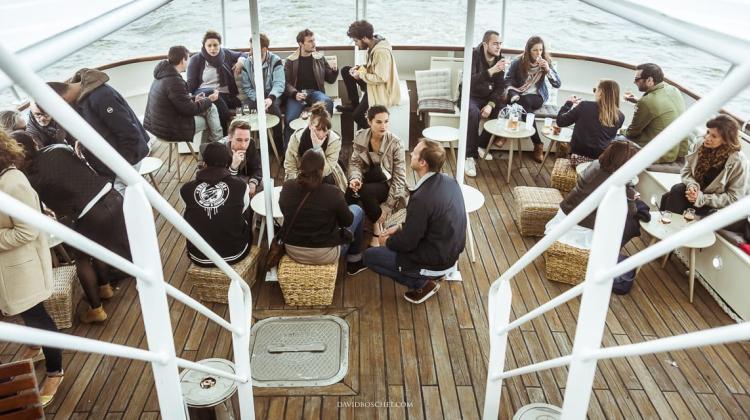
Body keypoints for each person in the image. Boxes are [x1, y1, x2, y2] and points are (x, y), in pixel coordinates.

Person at [14, 131, 131, 324]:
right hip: (112, 198)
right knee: (98, 247)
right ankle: (105, 287)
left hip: (89, 213)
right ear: (34, 142)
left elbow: (37, 208)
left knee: (82, 259)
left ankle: (96, 309)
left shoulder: (28, 178)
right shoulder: (59, 148)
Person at [0, 130, 64, 407]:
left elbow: (27, 232)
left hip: (20, 266)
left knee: (37, 315)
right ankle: (35, 347)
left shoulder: (13, 183)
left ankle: (55, 370)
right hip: (6, 266)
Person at [363, 139, 467, 304]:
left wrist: (386, 242)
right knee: (392, 228)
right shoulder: (450, 182)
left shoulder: (421, 198)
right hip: (449, 255)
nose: (411, 154)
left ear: (423, 163)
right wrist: (399, 227)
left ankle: (422, 283)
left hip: (435, 263)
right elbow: (430, 222)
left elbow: (408, 243)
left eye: (415, 152)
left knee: (370, 256)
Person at [47, 69, 150, 195]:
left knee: (124, 201)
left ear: (61, 99)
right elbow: (96, 125)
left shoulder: (101, 96)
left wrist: (120, 168)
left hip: (126, 161)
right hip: (111, 164)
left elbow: (129, 134)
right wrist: (82, 141)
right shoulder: (77, 99)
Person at [279, 149, 366, 274]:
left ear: (301, 166)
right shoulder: (333, 192)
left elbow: (284, 210)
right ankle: (355, 260)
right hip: (324, 254)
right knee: (357, 210)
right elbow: (347, 221)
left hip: (292, 249)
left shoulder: (288, 186)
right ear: (322, 169)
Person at [660, 115, 749, 232]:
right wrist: (692, 186)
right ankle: (667, 233)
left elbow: (734, 197)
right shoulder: (700, 144)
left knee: (674, 198)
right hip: (693, 194)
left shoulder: (739, 162)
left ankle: (673, 236)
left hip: (714, 204)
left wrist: (702, 198)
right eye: (707, 132)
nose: (707, 138)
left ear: (726, 139)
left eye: (714, 136)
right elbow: (686, 171)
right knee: (677, 190)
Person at [550, 139, 644, 249]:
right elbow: (632, 211)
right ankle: (613, 250)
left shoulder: (595, 164)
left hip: (567, 211)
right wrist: (631, 194)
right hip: (584, 226)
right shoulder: (620, 182)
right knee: (632, 223)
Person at [181, 142, 252, 267]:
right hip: (235, 253)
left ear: (204, 163)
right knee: (245, 210)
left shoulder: (185, 190)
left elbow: (189, 213)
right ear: (227, 163)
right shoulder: (241, 186)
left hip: (199, 256)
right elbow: (243, 210)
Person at [346, 106, 407, 247]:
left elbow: (399, 178)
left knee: (364, 191)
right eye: (379, 122)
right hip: (367, 178)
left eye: (386, 121)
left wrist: (387, 206)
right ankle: (350, 226)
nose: (383, 126)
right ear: (369, 121)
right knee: (351, 191)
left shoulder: (395, 143)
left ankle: (376, 228)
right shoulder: (361, 137)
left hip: (387, 182)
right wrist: (355, 178)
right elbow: (355, 163)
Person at [144, 46, 223, 146]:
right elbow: (189, 110)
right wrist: (210, 99)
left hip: (158, 126)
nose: (189, 62)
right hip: (169, 129)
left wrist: (194, 99)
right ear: (182, 60)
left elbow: (176, 101)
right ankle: (217, 145)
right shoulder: (174, 81)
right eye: (188, 59)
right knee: (211, 109)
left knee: (209, 112)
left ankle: (211, 148)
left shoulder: (162, 74)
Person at [505, 36, 562, 163]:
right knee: (520, 101)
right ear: (528, 50)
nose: (538, 53)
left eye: (541, 50)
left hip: (537, 96)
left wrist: (547, 70)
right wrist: (512, 89)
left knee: (522, 101)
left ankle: (537, 144)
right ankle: (538, 144)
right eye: (535, 50)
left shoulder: (546, 61)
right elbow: (507, 79)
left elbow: (557, 84)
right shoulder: (518, 62)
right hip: (519, 93)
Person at [621, 63, 688, 170]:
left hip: (660, 154)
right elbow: (659, 107)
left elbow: (632, 133)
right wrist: (638, 101)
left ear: (649, 80)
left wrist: (620, 130)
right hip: (676, 150)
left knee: (613, 141)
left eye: (637, 79)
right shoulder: (673, 90)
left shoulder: (647, 102)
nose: (634, 82)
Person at [339, 20, 401, 129]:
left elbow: (381, 78)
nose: (356, 44)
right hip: (372, 83)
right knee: (346, 71)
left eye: (356, 41)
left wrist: (360, 75)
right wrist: (359, 68)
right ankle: (354, 105)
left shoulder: (381, 52)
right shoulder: (373, 43)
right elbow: (373, 67)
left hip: (380, 88)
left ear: (364, 38)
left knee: (357, 116)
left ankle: (377, 135)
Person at [463, 30, 508, 178]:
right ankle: (470, 157)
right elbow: (470, 82)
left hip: (487, 98)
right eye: (495, 44)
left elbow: (500, 87)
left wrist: (490, 104)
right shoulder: (474, 56)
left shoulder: (500, 58)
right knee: (472, 112)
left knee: (502, 110)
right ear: (485, 44)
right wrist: (492, 70)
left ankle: (481, 145)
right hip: (470, 96)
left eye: (500, 44)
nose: (498, 47)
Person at [283, 29, 338, 148]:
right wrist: (294, 94)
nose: (314, 43)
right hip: (297, 95)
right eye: (310, 41)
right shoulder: (290, 61)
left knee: (327, 102)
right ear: (301, 43)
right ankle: (287, 152)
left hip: (315, 93)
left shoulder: (319, 58)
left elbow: (330, 79)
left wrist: (334, 71)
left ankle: (323, 142)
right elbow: (285, 83)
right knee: (289, 120)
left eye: (314, 40)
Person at [187, 30, 246, 135]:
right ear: (204, 45)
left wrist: (240, 62)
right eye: (209, 45)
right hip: (205, 93)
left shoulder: (225, 53)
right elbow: (191, 86)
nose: (212, 48)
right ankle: (223, 141)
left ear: (220, 45)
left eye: (215, 45)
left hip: (225, 94)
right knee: (222, 110)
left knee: (242, 108)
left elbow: (243, 54)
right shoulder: (196, 59)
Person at [556, 79, 625, 165]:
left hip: (577, 159)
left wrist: (568, 103)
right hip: (599, 162)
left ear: (600, 92)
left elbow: (560, 122)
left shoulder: (585, 105)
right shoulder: (620, 116)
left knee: (562, 146)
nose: (595, 92)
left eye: (595, 90)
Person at [284, 102, 347, 191]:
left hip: (324, 176)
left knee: (327, 183)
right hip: (301, 175)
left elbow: (326, 170)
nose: (322, 134)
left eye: (326, 130)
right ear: (310, 125)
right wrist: (295, 184)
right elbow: (290, 165)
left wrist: (317, 148)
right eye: (318, 129)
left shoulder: (334, 140)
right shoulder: (296, 138)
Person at [240, 33, 285, 152]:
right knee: (245, 109)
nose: (250, 51)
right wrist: (258, 99)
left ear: (264, 49)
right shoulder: (247, 63)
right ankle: (249, 148)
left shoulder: (275, 61)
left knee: (274, 110)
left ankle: (278, 148)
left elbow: (279, 84)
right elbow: (246, 86)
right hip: (255, 96)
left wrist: (270, 98)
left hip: (272, 96)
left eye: (253, 48)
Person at [201, 119, 262, 197]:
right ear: (230, 137)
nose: (243, 145)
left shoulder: (251, 143)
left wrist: (253, 182)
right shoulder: (219, 151)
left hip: (246, 178)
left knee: (266, 184)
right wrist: (233, 166)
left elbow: (257, 167)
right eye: (239, 140)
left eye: (247, 140)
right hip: (225, 185)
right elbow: (219, 182)